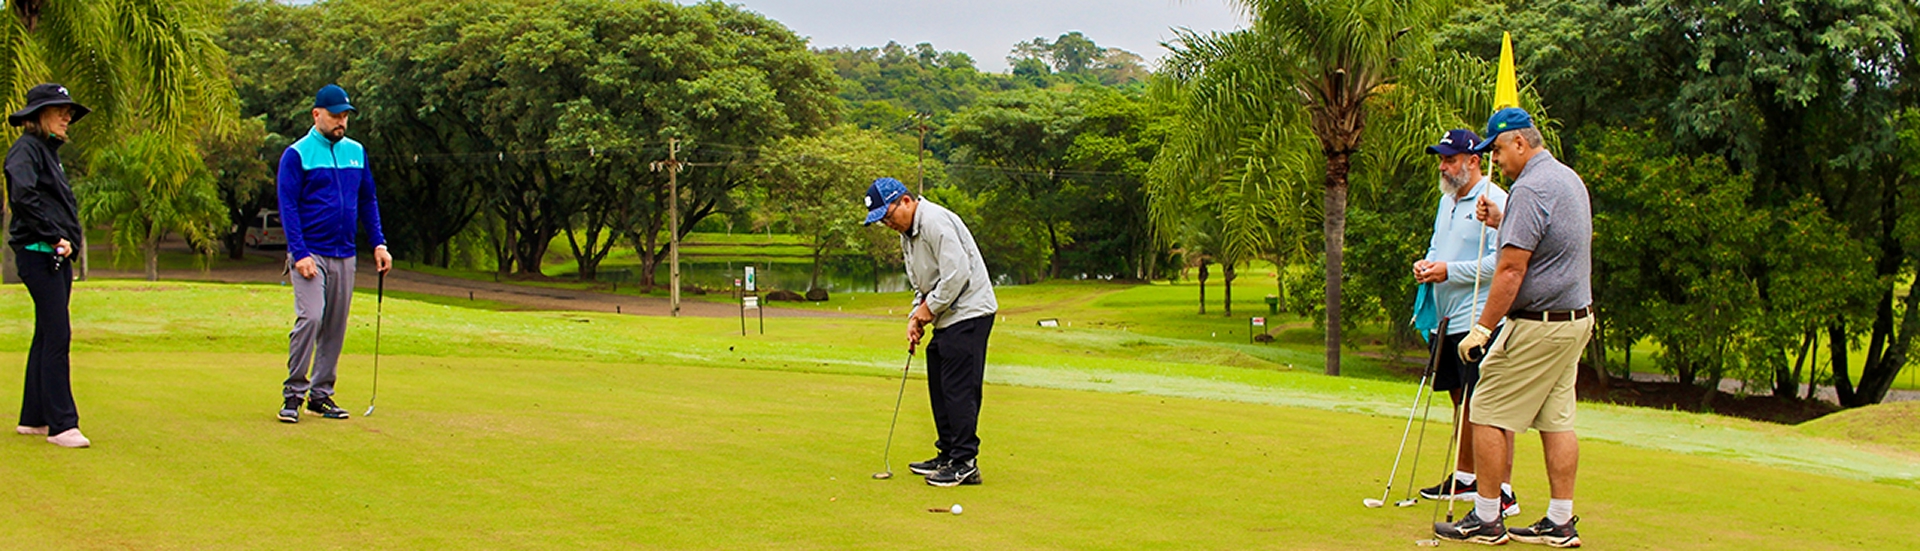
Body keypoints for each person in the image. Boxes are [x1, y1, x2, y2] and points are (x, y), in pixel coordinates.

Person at [1434, 107, 1592, 548]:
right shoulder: (1565, 179)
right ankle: (1560, 522)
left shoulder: (1530, 188)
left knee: (1483, 408)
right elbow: (1550, 238)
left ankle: (1487, 518)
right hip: (1575, 319)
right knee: (1556, 419)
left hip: (1538, 323)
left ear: (1521, 143)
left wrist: (1481, 330)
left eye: (1499, 150)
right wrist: (1504, 222)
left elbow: (1509, 270)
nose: (1496, 161)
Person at [862, 177, 998, 487]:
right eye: (881, 220)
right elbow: (921, 282)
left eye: (888, 215)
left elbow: (957, 273)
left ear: (906, 201)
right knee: (939, 383)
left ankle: (965, 463)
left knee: (958, 388)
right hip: (947, 315)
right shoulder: (907, 235)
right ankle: (948, 453)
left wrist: (929, 309)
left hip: (970, 312)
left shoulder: (935, 221)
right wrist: (916, 315)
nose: (887, 223)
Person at [1412, 129, 1520, 517]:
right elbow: (1438, 244)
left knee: (1488, 404)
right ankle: (1467, 475)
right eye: (1441, 159)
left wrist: (1448, 271)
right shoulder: (1447, 200)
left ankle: (1503, 490)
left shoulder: (1497, 200)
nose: (1443, 166)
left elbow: (1501, 264)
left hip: (1479, 317)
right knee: (1461, 398)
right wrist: (1427, 264)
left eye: (1450, 159)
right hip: (1446, 316)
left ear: (1474, 161)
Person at [276, 84, 391, 423]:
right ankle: (294, 394)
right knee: (311, 318)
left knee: (335, 326)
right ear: (317, 114)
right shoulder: (297, 154)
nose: (341, 122)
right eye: (335, 115)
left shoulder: (357, 152)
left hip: (345, 254)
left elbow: (368, 199)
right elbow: (288, 206)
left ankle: (321, 395)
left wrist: (379, 244)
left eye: (345, 116)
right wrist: (299, 253)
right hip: (310, 253)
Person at [6, 83, 91, 448]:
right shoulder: (26, 150)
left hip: (52, 254)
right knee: (57, 334)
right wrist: (56, 236)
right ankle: (62, 424)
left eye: (69, 112)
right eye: (60, 111)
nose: (67, 117)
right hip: (41, 252)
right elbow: (22, 194)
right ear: (39, 115)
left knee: (45, 334)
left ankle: (34, 417)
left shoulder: (46, 152)